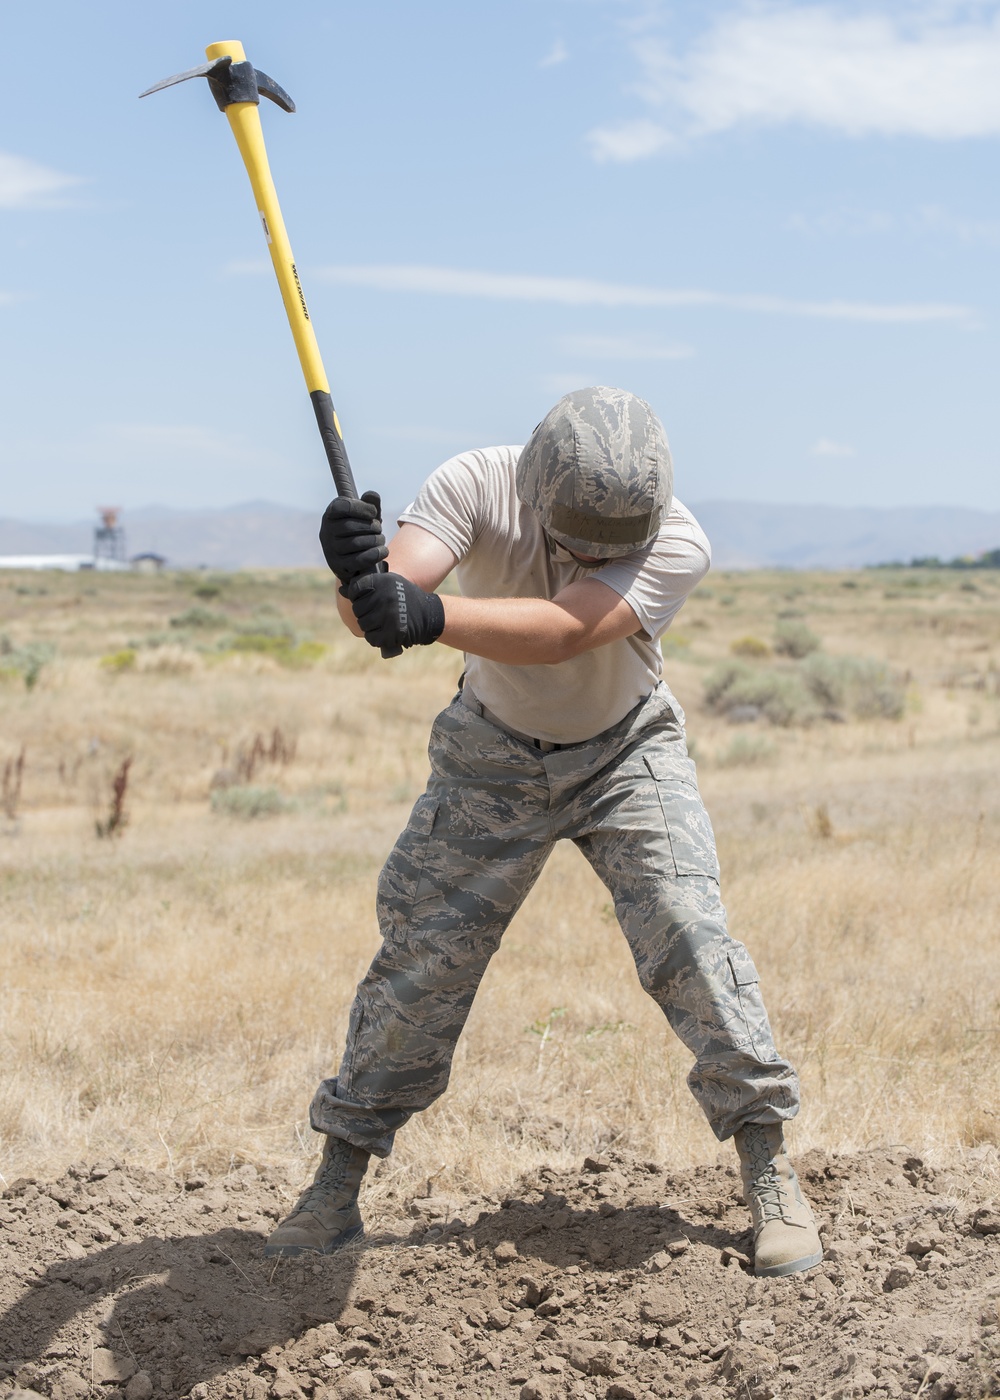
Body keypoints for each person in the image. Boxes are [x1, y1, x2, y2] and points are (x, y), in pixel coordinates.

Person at [264, 386, 823, 1278]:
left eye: (613, 549)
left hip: (626, 751)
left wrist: (427, 616)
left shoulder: (677, 537)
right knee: (422, 962)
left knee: (690, 934)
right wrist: (358, 579)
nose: (594, 557)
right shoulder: (476, 483)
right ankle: (337, 1181)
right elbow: (388, 602)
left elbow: (565, 631)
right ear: (534, 490)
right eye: (579, 543)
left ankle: (769, 1168)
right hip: (490, 753)